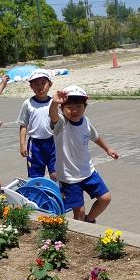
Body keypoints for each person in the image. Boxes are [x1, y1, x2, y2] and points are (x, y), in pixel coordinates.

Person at [48, 85, 119, 223]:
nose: (74, 110)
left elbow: (95, 136)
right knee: (79, 212)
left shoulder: (85, 121)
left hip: (88, 171)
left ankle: (89, 221)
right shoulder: (61, 124)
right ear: (62, 108)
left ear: (85, 107)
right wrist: (54, 103)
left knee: (105, 198)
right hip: (69, 177)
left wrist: (107, 148)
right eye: (69, 107)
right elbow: (53, 115)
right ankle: (80, 230)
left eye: (79, 106)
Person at [17, 69, 56, 180]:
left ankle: (59, 190)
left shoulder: (54, 103)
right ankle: (38, 190)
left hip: (53, 142)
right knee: (36, 177)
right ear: (31, 86)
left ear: (50, 84)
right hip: (35, 145)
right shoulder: (28, 103)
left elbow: (60, 123)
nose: (40, 87)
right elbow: (23, 125)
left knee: (55, 174)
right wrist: (22, 144)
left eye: (43, 83)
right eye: (36, 84)